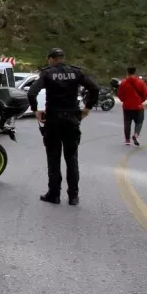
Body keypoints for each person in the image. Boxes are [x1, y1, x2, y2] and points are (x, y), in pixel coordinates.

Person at [27, 48, 99, 206]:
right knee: (72, 158)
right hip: (72, 120)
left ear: (51, 59)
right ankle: (73, 196)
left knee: (53, 159)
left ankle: (54, 194)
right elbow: (94, 88)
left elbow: (32, 93)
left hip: (53, 121)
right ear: (62, 58)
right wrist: (87, 108)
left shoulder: (47, 73)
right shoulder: (76, 72)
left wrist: (35, 110)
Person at [117, 66, 147, 146]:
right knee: (139, 121)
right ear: (135, 72)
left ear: (127, 72)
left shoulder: (123, 83)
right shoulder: (141, 82)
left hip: (127, 106)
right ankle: (136, 135)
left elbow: (120, 94)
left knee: (127, 123)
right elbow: (145, 94)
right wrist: (141, 101)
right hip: (138, 106)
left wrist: (124, 100)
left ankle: (127, 140)